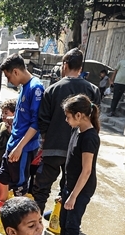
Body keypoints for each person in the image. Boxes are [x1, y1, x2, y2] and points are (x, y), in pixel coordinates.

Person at [33, 48, 99, 214]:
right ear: (81, 68)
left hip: (53, 148)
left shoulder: (53, 89)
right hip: (78, 152)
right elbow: (94, 120)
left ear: (65, 65)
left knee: (41, 189)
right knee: (67, 190)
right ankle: (62, 222)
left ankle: (34, 224)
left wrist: (44, 143)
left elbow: (43, 120)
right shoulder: (92, 90)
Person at [57, 94, 101, 235]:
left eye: (68, 116)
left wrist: (73, 196)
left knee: (71, 224)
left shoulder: (90, 137)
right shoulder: (77, 131)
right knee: (63, 222)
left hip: (81, 189)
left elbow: (86, 171)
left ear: (80, 115)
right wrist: (65, 191)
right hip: (71, 186)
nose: (67, 120)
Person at [0, 54, 43, 200]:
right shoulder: (23, 87)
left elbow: (36, 123)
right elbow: (23, 114)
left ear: (16, 71)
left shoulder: (36, 88)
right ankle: (1, 214)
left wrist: (20, 147)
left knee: (19, 186)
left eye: (9, 77)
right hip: (13, 143)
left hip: (23, 147)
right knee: (1, 178)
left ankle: (18, 220)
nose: (9, 81)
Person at [0, 99, 16, 190]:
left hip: (8, 161)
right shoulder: (0, 125)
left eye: (6, 113)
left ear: (14, 114)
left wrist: (10, 131)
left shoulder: (16, 128)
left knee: (7, 183)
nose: (3, 115)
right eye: (2, 113)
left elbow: (16, 140)